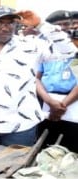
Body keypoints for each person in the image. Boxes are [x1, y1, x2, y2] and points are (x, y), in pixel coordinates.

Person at [0, 6, 77, 146]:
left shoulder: (30, 45)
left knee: (17, 166)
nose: (5, 28)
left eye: (10, 23)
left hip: (21, 125)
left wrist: (41, 25)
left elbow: (69, 52)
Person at [36, 10, 78, 152]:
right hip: (46, 103)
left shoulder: (75, 49)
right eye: (59, 25)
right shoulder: (43, 48)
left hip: (72, 105)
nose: (64, 28)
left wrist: (61, 106)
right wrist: (49, 101)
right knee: (44, 147)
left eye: (68, 24)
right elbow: (36, 78)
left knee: (70, 150)